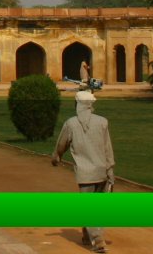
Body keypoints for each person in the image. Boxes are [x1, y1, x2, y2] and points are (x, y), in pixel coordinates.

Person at [51, 90, 115, 253]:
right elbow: (108, 148)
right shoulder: (102, 122)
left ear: (78, 105)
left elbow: (61, 144)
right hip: (102, 170)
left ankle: (98, 240)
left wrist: (56, 156)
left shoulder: (71, 123)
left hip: (85, 174)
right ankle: (88, 236)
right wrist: (111, 170)